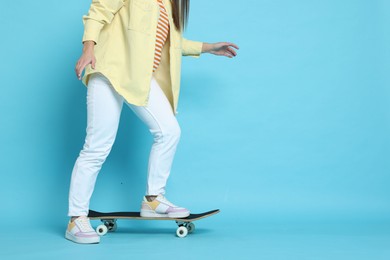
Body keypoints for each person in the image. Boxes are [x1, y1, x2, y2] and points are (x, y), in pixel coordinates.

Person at [65, 0, 239, 244]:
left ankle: (153, 200)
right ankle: (76, 219)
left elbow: (172, 45)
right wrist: (88, 48)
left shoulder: (169, 5)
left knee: (169, 131)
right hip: (108, 69)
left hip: (139, 77)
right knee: (97, 146)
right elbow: (99, 10)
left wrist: (209, 47)